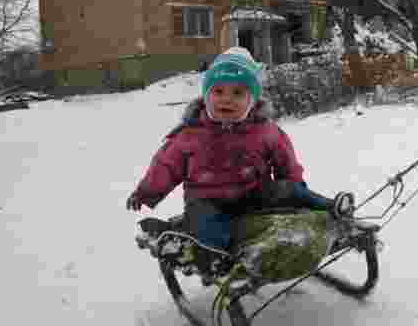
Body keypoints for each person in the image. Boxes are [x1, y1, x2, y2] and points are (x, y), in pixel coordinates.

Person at [126, 47, 346, 271]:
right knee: (207, 227)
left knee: (291, 190)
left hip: (253, 194)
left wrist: (292, 187)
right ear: (206, 96)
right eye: (218, 92)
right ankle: (216, 258)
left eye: (238, 93)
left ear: (252, 100)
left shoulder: (265, 130)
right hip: (208, 200)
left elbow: (286, 160)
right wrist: (145, 192)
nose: (227, 100)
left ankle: (332, 209)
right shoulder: (190, 134)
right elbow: (166, 166)